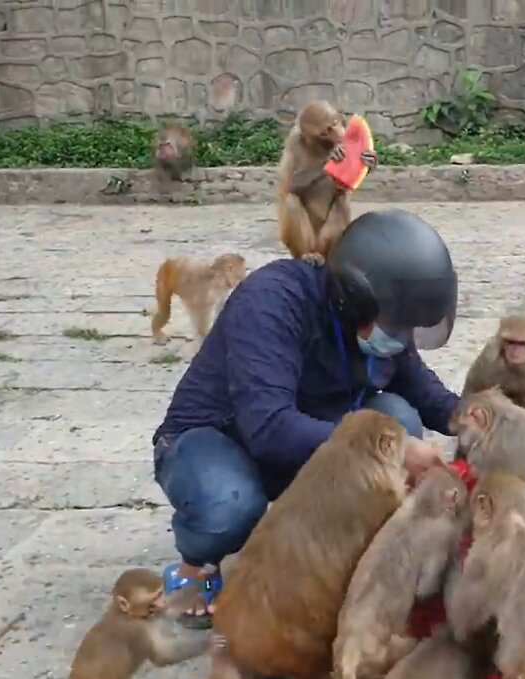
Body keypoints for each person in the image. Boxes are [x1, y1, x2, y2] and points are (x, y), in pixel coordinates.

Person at [151, 209, 461, 628]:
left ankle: (332, 550)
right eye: (396, 325)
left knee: (397, 417)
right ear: (353, 298)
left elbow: (427, 395)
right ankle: (194, 567)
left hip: (303, 432)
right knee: (229, 507)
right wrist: (398, 450)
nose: (402, 339)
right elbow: (269, 427)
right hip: (217, 436)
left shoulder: (381, 321)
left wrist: (489, 420)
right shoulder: (272, 301)